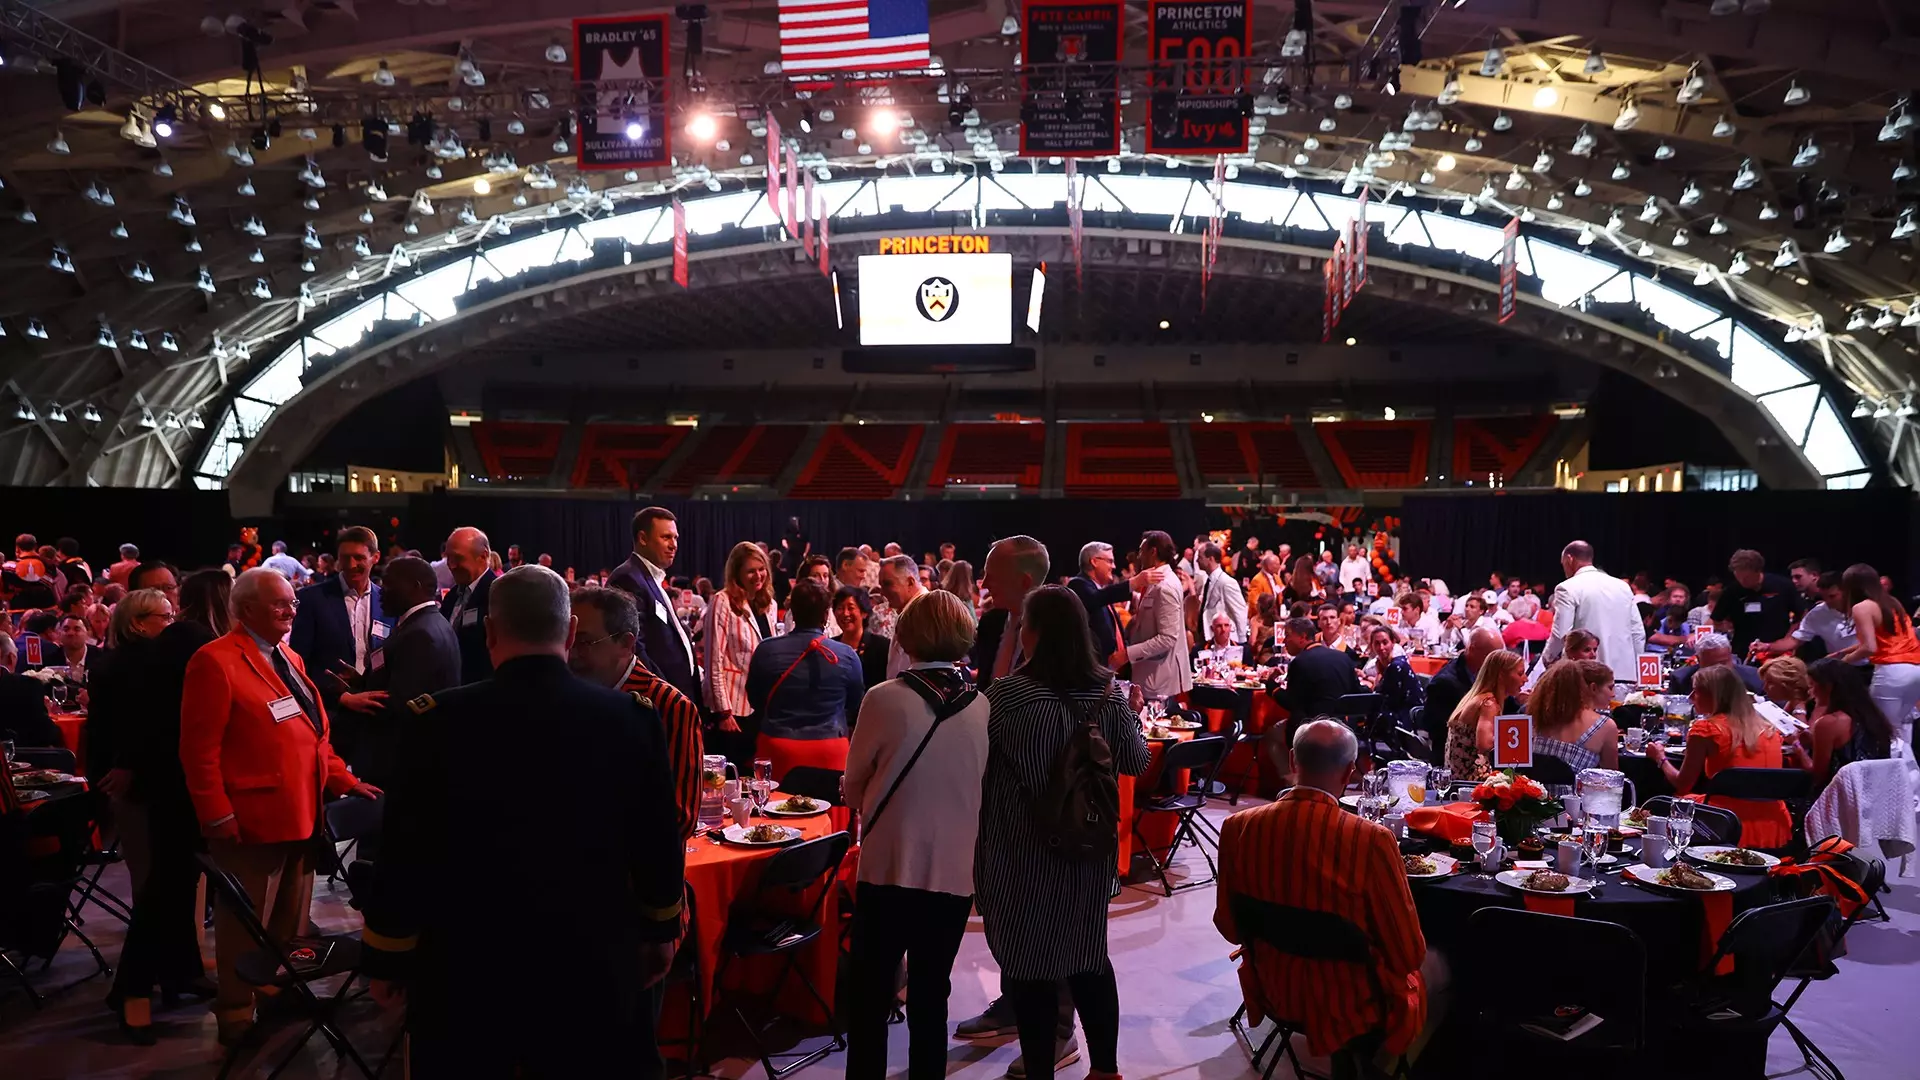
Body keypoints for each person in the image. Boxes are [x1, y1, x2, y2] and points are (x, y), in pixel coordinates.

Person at [361, 566, 685, 1077]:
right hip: (592, 959)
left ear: (489, 631)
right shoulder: (630, 719)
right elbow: (657, 842)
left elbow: (404, 850)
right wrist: (660, 929)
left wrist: (388, 952)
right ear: (571, 632)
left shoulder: (436, 722)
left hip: (469, 965)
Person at [179, 568, 380, 1044]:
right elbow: (198, 750)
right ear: (245, 609)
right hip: (250, 820)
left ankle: (272, 992)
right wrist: (216, 813)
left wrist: (345, 781)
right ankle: (233, 1010)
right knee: (244, 924)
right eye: (279, 604)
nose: (291, 610)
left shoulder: (287, 656)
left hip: (303, 813)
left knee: (288, 922)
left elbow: (314, 735)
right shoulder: (214, 661)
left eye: (292, 602)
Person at [973, 585, 1148, 1080]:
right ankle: (1106, 1070)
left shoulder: (1005, 698)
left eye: (1024, 625)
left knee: (1028, 967)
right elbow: (1138, 759)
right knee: (1089, 955)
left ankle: (1041, 1068)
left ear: (1038, 633)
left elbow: (976, 770)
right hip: (1087, 850)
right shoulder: (1108, 693)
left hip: (1019, 854)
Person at [1215, 719, 1428, 1072]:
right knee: (1438, 969)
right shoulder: (1371, 841)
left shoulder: (1238, 827)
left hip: (1275, 990)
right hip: (1353, 1004)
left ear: (1293, 760)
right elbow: (1408, 954)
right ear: (1349, 774)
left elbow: (1229, 926)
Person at [843, 591, 989, 1080]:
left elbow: (852, 787)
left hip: (887, 866)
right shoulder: (982, 706)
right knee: (932, 992)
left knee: (870, 994)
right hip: (952, 872)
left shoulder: (883, 699)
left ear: (906, 635)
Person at [98, 571, 229, 1040]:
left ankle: (178, 975)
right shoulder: (187, 639)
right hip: (175, 781)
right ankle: (131, 992)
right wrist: (132, 763)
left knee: (178, 882)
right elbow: (154, 713)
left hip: (179, 777)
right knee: (166, 886)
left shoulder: (187, 638)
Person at [570, 586, 704, 841]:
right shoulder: (570, 694)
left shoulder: (669, 706)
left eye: (585, 642)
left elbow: (680, 818)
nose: (572, 653)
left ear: (626, 643)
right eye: (569, 639)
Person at [1645, 664, 1792, 849]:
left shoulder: (1706, 729)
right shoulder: (1769, 729)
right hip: (1773, 820)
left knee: (1669, 800)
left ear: (1713, 696)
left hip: (1724, 820)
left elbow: (1682, 783)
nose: (1690, 698)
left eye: (1696, 692)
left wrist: (1660, 758)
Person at [356, 557, 462, 787]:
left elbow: (401, 705)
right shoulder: (431, 622)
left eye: (389, 583)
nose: (382, 591)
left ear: (415, 587)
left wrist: (354, 700)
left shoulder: (419, 633)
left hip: (402, 764)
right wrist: (361, 681)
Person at [289, 526, 388, 763]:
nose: (351, 564)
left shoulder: (387, 601)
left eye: (359, 558)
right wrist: (342, 698)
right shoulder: (313, 599)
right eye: (345, 558)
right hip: (330, 714)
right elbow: (298, 661)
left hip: (376, 714)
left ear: (375, 558)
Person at [746, 580, 864, 778]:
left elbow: (756, 700)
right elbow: (854, 703)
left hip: (778, 749)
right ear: (826, 614)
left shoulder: (766, 650)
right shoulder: (847, 655)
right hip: (830, 750)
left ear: (792, 610)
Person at [610, 507, 701, 705]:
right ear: (643, 538)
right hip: (661, 701)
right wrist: (665, 695)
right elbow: (634, 648)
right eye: (666, 537)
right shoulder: (628, 578)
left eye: (676, 538)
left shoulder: (651, 578)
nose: (674, 545)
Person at [702, 541, 777, 767]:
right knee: (732, 776)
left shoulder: (769, 604)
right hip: (733, 706)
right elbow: (714, 659)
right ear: (737, 573)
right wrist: (723, 712)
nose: (758, 575)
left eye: (761, 569)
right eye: (751, 571)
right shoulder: (722, 600)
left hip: (760, 705)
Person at [1834, 563, 1920, 744]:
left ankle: (1893, 771)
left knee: (1884, 730)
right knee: (1902, 728)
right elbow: (1887, 640)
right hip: (1915, 669)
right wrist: (1842, 652)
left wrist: (1842, 663)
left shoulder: (1862, 607)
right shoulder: (1893, 602)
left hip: (1892, 672)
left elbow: (1869, 647)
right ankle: (1909, 772)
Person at [1787, 657, 1895, 792]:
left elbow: (1818, 775)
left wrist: (1797, 747)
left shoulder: (1828, 722)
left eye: (1812, 686)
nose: (1810, 693)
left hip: (1841, 797)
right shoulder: (1873, 717)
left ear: (1828, 687)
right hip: (1875, 795)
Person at [1541, 541, 1645, 674]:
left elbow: (1561, 633)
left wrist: (1548, 658)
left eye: (1563, 564)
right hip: (1625, 675)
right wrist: (1636, 669)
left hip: (1587, 674)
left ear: (1569, 559)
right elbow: (1637, 633)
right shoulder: (1623, 587)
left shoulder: (1567, 588)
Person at [970, 536, 1049, 692]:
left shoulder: (1053, 632)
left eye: (992, 577)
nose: (984, 584)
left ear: (1024, 582)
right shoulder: (989, 623)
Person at [1125, 530, 1193, 706]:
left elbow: (1167, 638)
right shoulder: (1157, 581)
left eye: (1142, 550)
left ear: (1153, 552)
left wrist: (1127, 654)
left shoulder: (1165, 586)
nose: (1139, 556)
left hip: (1159, 682)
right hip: (1151, 676)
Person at [1267, 617, 1362, 736]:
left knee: (1271, 734)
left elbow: (1291, 703)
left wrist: (1271, 686)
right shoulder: (1343, 658)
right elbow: (1356, 694)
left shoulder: (1300, 662)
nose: (1284, 640)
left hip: (1311, 730)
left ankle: (1295, 755)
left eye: (1287, 635)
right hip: (1343, 730)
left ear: (1303, 637)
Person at [1443, 648, 1525, 783]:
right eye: (1520, 673)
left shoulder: (1477, 697)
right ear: (1501, 675)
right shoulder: (1489, 705)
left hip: (1457, 778)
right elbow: (1485, 744)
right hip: (1472, 783)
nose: (1525, 679)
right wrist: (1523, 735)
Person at [1527, 660, 1618, 772]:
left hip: (1531, 788)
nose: (1613, 694)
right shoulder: (1606, 726)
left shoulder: (1537, 717)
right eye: (1610, 687)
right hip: (1578, 789)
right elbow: (1612, 779)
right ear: (1593, 688)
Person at [1713, 549, 1799, 659]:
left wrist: (1788, 639)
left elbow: (1801, 614)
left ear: (1758, 571)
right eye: (1738, 577)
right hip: (1743, 651)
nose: (1742, 581)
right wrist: (1730, 629)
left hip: (1777, 650)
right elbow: (1717, 619)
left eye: (1746, 577)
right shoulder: (1732, 591)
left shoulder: (1783, 585)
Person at [440, 526, 498, 682]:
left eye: (457, 558)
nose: (451, 566)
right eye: (448, 558)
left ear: (483, 556)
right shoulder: (451, 597)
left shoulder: (499, 595)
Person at [1067, 542, 1135, 664]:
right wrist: (1132, 584)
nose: (1114, 566)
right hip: (1093, 667)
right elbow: (1096, 599)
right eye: (1109, 561)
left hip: (1110, 667)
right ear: (1094, 561)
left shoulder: (1099, 590)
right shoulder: (1077, 584)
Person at [1783, 571, 1860, 662]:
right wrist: (1768, 646)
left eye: (1832, 596)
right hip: (1840, 666)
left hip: (1872, 664)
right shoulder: (1817, 614)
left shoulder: (1864, 608)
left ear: (1845, 592)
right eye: (1824, 597)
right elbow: (1796, 640)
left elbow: (1870, 644)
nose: (1828, 601)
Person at [0, 633, 60, 748]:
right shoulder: (27, 686)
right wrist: (46, 713)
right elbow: (46, 735)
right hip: (21, 759)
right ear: (11, 658)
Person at [1360, 625, 1426, 729]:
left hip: (1406, 719)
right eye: (1377, 643)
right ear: (1371, 645)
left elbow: (1384, 700)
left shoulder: (1396, 666)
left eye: (1385, 642)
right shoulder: (1382, 665)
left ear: (1393, 643)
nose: (1381, 647)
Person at [832, 585, 893, 693]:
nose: (845, 614)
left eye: (851, 608)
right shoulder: (831, 646)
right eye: (840, 608)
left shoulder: (882, 646)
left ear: (864, 613)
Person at [877, 553, 928, 679]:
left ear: (910, 582)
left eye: (887, 584)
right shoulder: (909, 611)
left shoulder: (925, 614)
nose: (882, 592)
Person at [1669, 632, 1764, 695]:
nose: (1718, 669)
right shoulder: (1681, 680)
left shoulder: (1753, 677)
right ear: (1699, 660)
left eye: (1723, 662)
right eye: (1712, 665)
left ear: (1730, 657)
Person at [1194, 542, 1249, 644]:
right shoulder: (1209, 580)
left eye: (1200, 557)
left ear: (1210, 559)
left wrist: (1242, 643)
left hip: (1226, 641)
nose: (1197, 560)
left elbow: (1239, 612)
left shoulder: (1226, 582)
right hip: (1210, 639)